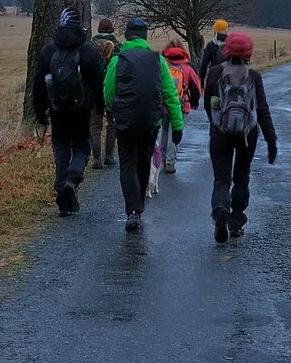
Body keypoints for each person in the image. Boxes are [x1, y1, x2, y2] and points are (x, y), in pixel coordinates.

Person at [102, 17, 182, 233]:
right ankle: (139, 207)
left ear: (127, 36)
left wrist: (112, 110)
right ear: (145, 37)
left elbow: (108, 90)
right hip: (150, 121)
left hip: (125, 121)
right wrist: (177, 125)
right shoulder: (158, 60)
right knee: (144, 161)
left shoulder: (118, 59)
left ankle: (132, 211)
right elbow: (170, 94)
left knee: (127, 162)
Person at [202, 29, 277, 244]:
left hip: (220, 133)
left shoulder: (215, 73)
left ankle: (220, 209)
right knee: (242, 177)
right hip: (247, 135)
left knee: (221, 178)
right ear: (249, 52)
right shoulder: (254, 76)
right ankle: (235, 222)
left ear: (227, 49)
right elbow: (262, 110)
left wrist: (215, 124)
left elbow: (208, 104)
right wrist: (271, 140)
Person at [28, 7, 104, 215]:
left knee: (61, 149)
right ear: (80, 25)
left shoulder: (48, 50)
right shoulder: (88, 50)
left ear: (60, 23)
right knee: (82, 147)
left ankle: (62, 191)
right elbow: (98, 82)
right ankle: (72, 179)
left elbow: (38, 84)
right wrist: (100, 106)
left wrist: (39, 112)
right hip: (81, 109)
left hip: (57, 109)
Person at [159, 42, 204, 173]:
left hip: (163, 105)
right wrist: (193, 103)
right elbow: (196, 87)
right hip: (181, 104)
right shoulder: (187, 67)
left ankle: (161, 160)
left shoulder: (163, 65)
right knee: (175, 132)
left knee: (164, 130)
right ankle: (170, 162)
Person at [89, 17, 121, 167]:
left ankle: (96, 159)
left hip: (94, 90)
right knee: (112, 124)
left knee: (95, 126)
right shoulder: (118, 46)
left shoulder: (90, 45)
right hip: (112, 90)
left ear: (99, 29)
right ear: (112, 29)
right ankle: (109, 157)